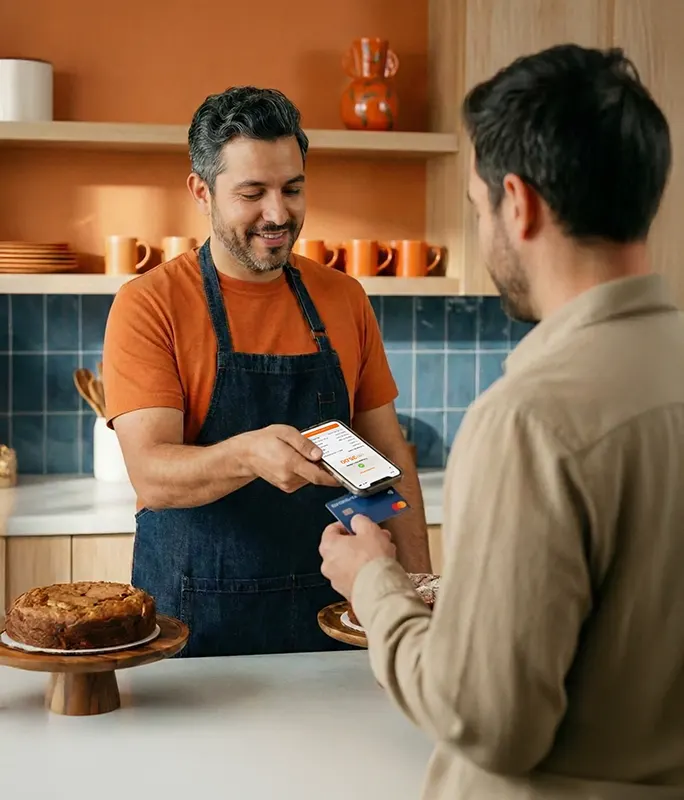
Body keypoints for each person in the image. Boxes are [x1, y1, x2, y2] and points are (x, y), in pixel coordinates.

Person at [319, 43, 684, 799]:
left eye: (478, 208)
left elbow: (489, 720)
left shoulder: (529, 419)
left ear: (518, 204)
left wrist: (374, 585)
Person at [102, 86, 430, 658]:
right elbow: (151, 473)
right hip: (193, 629)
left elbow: (389, 457)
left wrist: (422, 592)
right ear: (201, 191)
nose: (278, 214)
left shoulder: (344, 298)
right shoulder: (149, 303)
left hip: (333, 617)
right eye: (252, 193)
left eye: (293, 188)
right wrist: (249, 455)